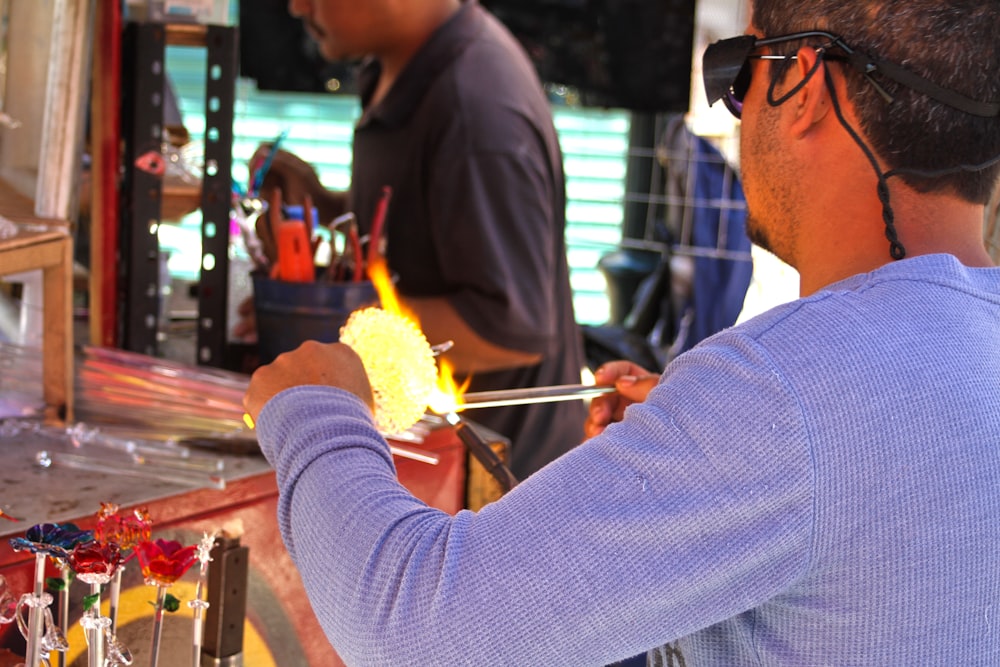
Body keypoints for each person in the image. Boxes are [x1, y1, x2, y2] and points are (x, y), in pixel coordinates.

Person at [243, 0, 1000, 663]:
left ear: (802, 84)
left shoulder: (782, 392)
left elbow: (412, 630)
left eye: (740, 72)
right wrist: (689, 443)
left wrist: (317, 411)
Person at [242, 0, 586, 479]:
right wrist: (324, 204)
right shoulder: (399, 71)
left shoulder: (474, 107)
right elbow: (429, 226)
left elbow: (507, 331)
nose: (297, 7)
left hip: (496, 482)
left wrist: (323, 324)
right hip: (433, 457)